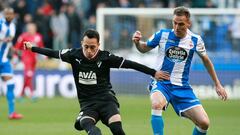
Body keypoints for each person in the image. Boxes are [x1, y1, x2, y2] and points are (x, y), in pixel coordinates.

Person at [24, 29, 170, 135]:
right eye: (86, 46)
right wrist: (33, 48)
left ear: (98, 45)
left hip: (107, 100)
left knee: (117, 129)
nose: (89, 50)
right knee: (92, 129)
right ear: (82, 43)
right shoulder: (73, 55)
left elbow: (131, 64)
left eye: (92, 47)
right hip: (88, 104)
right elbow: (53, 53)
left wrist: (154, 72)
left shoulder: (106, 57)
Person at [132, 6, 228, 135]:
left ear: (189, 23)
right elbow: (144, 49)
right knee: (156, 104)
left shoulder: (196, 40)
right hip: (161, 82)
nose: (177, 27)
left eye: (181, 24)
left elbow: (206, 61)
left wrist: (217, 84)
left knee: (204, 123)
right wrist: (137, 43)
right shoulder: (162, 34)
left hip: (182, 87)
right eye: (175, 23)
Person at [0, 7, 23, 119]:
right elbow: (4, 40)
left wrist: (15, 50)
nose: (9, 15)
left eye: (11, 13)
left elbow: (8, 44)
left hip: (4, 60)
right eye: (7, 13)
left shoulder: (13, 27)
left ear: (13, 15)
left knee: (11, 84)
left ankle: (12, 113)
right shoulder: (0, 24)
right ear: (4, 14)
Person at [14, 22, 44, 100]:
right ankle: (31, 94)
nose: (32, 30)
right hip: (26, 58)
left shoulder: (38, 36)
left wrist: (44, 56)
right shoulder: (23, 36)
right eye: (30, 28)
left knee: (28, 76)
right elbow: (17, 47)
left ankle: (21, 94)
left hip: (34, 59)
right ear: (27, 29)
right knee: (29, 75)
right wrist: (15, 57)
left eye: (33, 28)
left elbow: (41, 47)